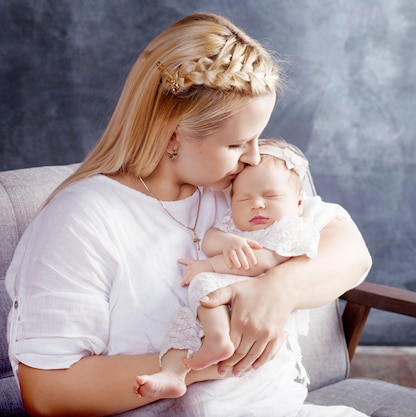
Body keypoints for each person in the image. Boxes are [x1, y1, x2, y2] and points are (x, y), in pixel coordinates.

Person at [5, 12, 371, 417]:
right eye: (236, 144)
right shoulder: (82, 221)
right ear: (173, 133)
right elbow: (47, 393)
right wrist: (201, 363)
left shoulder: (238, 188)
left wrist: (280, 289)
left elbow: (350, 248)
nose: (253, 156)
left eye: (256, 138)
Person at [133, 140, 326, 401]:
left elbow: (262, 262)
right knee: (182, 323)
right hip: (214, 312)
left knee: (203, 282)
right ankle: (173, 374)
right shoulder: (237, 227)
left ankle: (217, 340)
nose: (257, 204)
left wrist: (209, 265)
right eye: (244, 198)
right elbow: (211, 239)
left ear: (299, 203)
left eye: (270, 196)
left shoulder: (291, 229)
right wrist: (228, 241)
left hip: (253, 316)